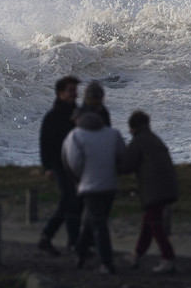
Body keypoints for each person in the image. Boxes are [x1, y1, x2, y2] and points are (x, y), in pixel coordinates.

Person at [62, 102, 126, 274]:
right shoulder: (113, 134)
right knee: (92, 221)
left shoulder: (75, 136)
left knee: (98, 224)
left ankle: (106, 262)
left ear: (78, 120)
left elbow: (73, 163)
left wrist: (81, 179)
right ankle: (80, 255)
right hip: (110, 185)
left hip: (90, 187)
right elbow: (122, 158)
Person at [119, 110, 179, 272]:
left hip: (155, 189)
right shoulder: (153, 138)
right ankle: (136, 254)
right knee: (149, 222)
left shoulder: (139, 141)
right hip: (167, 186)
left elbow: (126, 166)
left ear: (132, 128)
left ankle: (168, 257)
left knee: (155, 225)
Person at [36, 76, 82, 256]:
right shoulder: (53, 116)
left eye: (75, 90)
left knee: (71, 202)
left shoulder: (78, 113)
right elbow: (45, 143)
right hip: (59, 165)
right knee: (71, 202)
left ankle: (46, 237)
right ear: (61, 93)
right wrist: (47, 167)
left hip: (76, 165)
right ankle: (73, 243)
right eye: (71, 90)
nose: (74, 93)